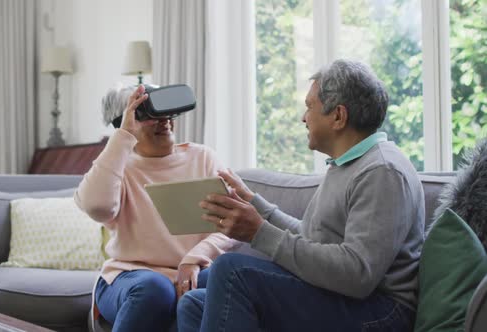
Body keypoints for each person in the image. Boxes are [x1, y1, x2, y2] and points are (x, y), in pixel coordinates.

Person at [177, 59, 425, 331]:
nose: (303, 117)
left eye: (309, 107)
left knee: (231, 270)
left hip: (381, 312)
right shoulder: (346, 164)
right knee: (194, 304)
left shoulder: (382, 171)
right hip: (345, 300)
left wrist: (259, 233)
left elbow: (358, 274)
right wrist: (255, 204)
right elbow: (314, 238)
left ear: (338, 116)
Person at [74, 84, 235, 332]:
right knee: (154, 288)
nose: (165, 120)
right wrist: (124, 137)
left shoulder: (202, 158)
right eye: (149, 114)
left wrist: (194, 257)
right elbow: (98, 207)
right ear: (126, 122)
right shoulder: (118, 167)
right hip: (130, 277)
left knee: (226, 282)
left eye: (166, 111)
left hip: (194, 270)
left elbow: (234, 220)